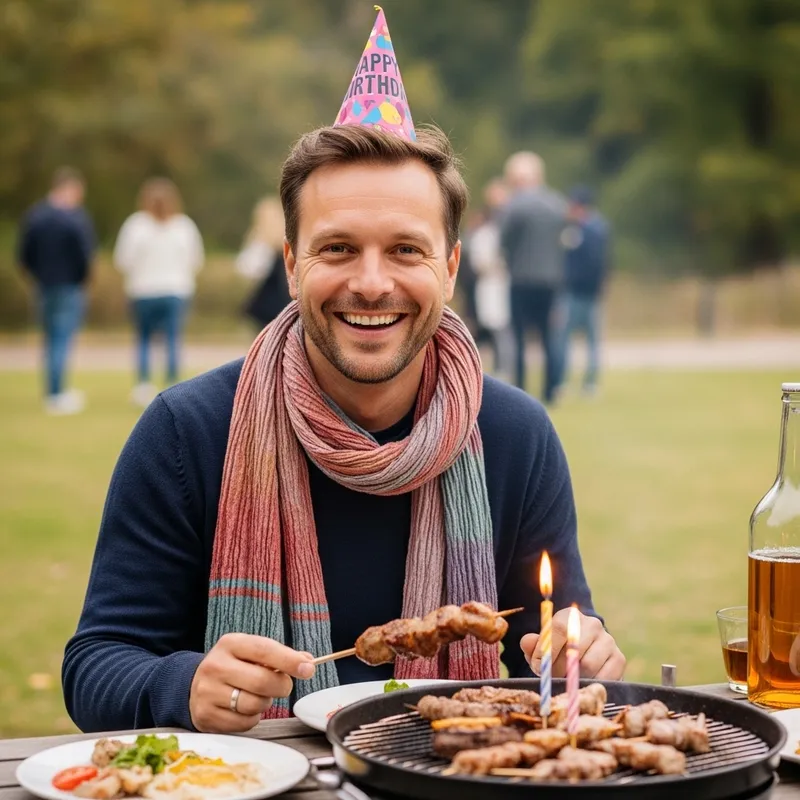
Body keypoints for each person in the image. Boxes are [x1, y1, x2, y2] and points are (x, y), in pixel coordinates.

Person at [63, 6, 624, 736]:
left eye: (405, 250)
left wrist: (582, 653)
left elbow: (559, 633)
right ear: (292, 263)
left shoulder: (515, 434)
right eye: (336, 249)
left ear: (450, 268)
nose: (370, 282)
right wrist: (183, 683)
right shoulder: (186, 432)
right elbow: (97, 662)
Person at [113, 177, 204, 407]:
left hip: (143, 291)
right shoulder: (183, 226)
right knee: (173, 338)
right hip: (175, 290)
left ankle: (143, 385)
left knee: (143, 338)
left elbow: (122, 260)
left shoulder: (136, 226)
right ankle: (172, 384)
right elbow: (196, 260)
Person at [17, 166, 95, 415]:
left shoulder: (35, 216)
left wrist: (36, 275)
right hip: (68, 286)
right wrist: (81, 279)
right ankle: (57, 393)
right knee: (62, 338)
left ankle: (52, 389)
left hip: (43, 285)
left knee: (50, 339)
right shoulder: (75, 218)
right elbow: (85, 256)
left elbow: (24, 253)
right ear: (70, 188)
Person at [499, 152, 567, 404]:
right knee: (549, 337)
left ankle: (521, 391)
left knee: (518, 337)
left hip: (521, 279)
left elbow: (503, 240)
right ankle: (551, 390)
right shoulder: (557, 204)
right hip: (551, 280)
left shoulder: (514, 206)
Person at [556, 186, 612, 396]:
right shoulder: (585, 228)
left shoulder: (589, 229)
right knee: (579, 340)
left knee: (579, 339)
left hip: (581, 292)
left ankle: (584, 382)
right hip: (580, 292)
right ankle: (579, 382)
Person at [466, 179, 513, 382]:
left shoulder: (504, 226)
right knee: (491, 327)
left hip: (501, 284)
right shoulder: (483, 230)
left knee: (502, 329)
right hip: (487, 284)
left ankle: (505, 366)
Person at [235, 197, 291, 331]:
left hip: (271, 303)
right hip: (277, 302)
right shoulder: (268, 242)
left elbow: (248, 269)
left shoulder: (266, 243)